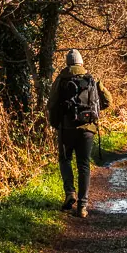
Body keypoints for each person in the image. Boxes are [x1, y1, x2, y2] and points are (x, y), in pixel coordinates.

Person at [47, 49, 112, 217]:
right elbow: (107, 101)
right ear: (81, 63)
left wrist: (56, 124)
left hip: (65, 129)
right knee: (84, 165)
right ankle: (83, 206)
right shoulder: (91, 79)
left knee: (65, 160)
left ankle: (70, 193)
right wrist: (93, 113)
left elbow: (52, 104)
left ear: (67, 63)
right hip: (87, 130)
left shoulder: (60, 80)